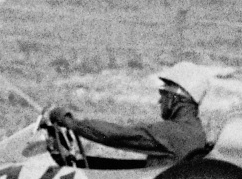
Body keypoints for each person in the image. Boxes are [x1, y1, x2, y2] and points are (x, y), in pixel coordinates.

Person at [46, 61, 212, 162]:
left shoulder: (173, 132)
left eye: (164, 95)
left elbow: (117, 135)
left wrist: (72, 123)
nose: (159, 101)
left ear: (175, 99)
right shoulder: (195, 131)